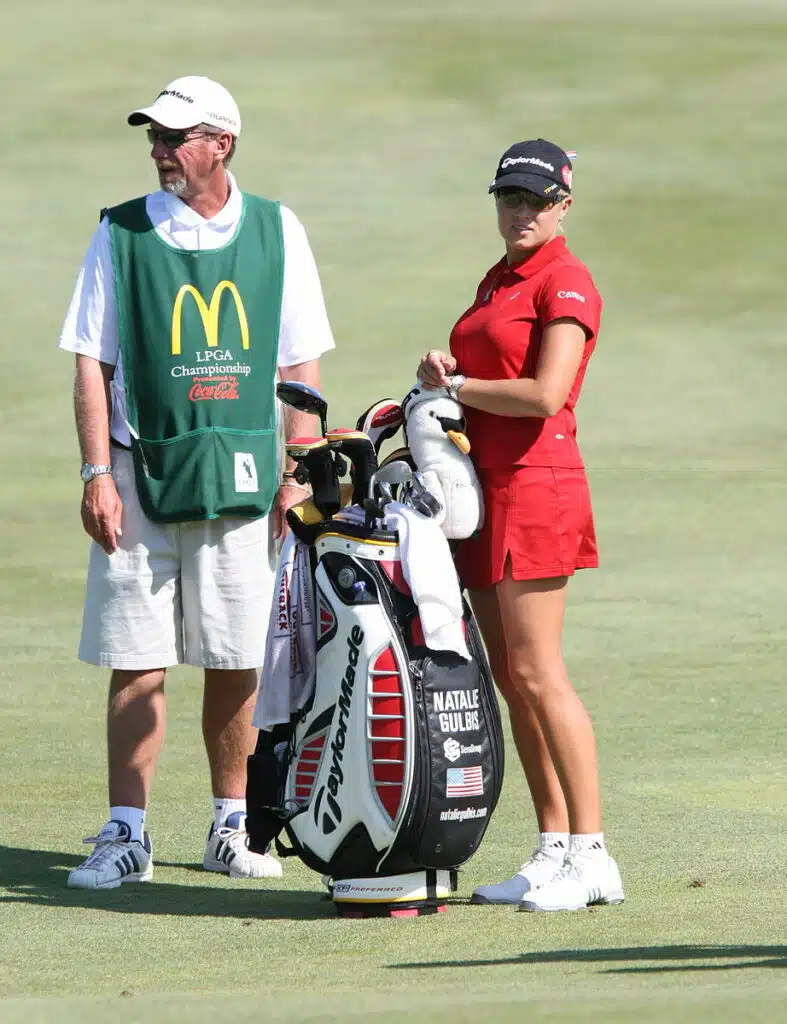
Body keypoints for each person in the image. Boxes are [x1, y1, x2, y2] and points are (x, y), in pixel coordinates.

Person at [59, 76, 335, 890]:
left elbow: (300, 367)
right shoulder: (121, 231)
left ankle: (231, 824)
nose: (160, 150)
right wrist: (95, 473)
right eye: (155, 136)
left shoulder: (278, 230)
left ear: (223, 144)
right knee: (136, 659)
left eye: (176, 137)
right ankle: (125, 831)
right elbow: (90, 362)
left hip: (246, 482)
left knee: (235, 656)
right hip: (141, 477)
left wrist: (297, 475)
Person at [417, 139, 623, 912]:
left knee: (538, 671)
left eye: (535, 200)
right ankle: (552, 847)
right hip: (484, 491)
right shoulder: (497, 279)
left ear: (563, 206)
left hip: (538, 486)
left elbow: (544, 393)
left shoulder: (565, 280)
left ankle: (593, 854)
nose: (520, 211)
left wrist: (461, 381)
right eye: (509, 197)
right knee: (509, 678)